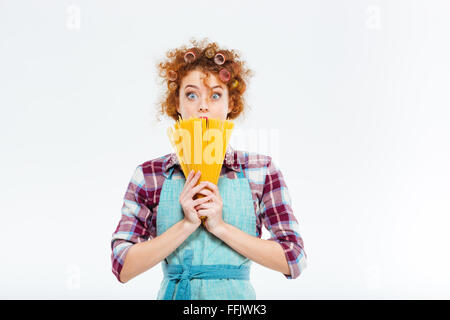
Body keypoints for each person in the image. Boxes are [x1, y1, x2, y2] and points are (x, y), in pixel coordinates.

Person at [110, 38, 307, 300]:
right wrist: (186, 225)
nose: (203, 105)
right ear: (177, 105)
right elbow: (122, 266)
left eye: (215, 95)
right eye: (191, 95)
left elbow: (294, 260)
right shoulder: (149, 175)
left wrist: (221, 227)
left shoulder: (261, 171)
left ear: (231, 105)